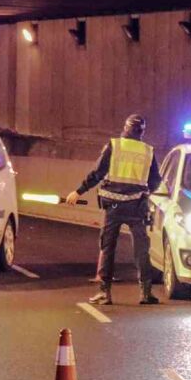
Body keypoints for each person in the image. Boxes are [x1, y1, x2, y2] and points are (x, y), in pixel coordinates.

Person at [66, 114, 161, 305]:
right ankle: (145, 293)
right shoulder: (148, 151)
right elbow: (155, 180)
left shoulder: (115, 146)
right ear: (142, 132)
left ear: (126, 128)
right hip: (137, 206)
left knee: (108, 247)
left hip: (113, 206)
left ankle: (105, 293)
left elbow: (98, 173)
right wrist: (144, 193)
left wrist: (79, 191)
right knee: (141, 249)